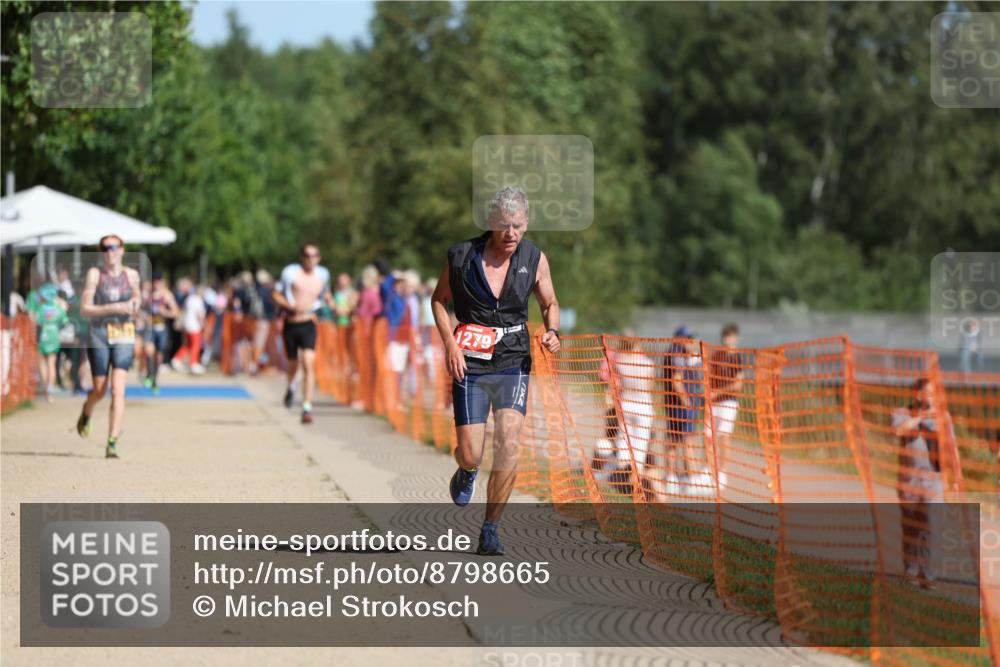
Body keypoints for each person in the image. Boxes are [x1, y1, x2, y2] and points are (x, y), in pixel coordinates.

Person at [431, 186, 561, 555]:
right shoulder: (461, 256)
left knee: (508, 443)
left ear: (526, 223)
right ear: (491, 222)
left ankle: (490, 528)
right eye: (504, 225)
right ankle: (467, 470)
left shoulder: (535, 259)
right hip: (469, 360)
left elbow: (550, 303)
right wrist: (450, 344)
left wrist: (552, 331)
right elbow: (439, 301)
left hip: (513, 360)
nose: (511, 233)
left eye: (518, 225)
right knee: (471, 452)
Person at [76, 235, 141, 458]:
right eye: (104, 248)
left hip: (123, 333)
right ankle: (87, 410)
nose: (109, 251)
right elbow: (85, 308)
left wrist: (134, 306)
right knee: (100, 390)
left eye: (113, 247)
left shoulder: (132, 275)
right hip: (99, 334)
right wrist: (115, 307)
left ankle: (112, 441)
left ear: (122, 249)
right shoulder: (95, 275)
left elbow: (137, 300)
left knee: (117, 389)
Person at [894, 378, 947, 590]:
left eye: (936, 394)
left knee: (931, 528)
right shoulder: (901, 413)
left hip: (934, 481)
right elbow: (899, 431)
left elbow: (951, 448)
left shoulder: (943, 416)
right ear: (917, 394)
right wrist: (922, 417)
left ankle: (929, 575)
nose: (933, 397)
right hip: (909, 482)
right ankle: (910, 572)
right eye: (929, 393)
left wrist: (953, 479)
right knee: (911, 529)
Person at [273, 243, 334, 424]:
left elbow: (326, 294)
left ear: (319, 257)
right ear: (302, 257)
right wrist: (290, 306)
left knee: (308, 363)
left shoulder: (323, 274)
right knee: (293, 364)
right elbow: (275, 294)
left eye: (314, 255)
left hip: (309, 322)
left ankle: (307, 406)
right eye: (307, 255)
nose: (310, 259)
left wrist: (332, 304)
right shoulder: (290, 273)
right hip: (292, 322)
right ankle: (291, 387)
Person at [665, 326, 707, 495]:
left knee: (674, 440)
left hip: (681, 404)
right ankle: (689, 479)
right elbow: (676, 381)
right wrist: (686, 401)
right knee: (685, 441)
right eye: (687, 339)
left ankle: (674, 477)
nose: (690, 343)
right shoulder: (676, 356)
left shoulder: (686, 356)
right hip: (683, 405)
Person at [706, 323, 743, 489]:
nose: (728, 339)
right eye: (726, 336)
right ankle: (710, 471)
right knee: (708, 435)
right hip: (714, 402)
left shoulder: (738, 358)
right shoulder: (716, 355)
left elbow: (738, 384)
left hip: (728, 401)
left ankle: (723, 473)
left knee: (724, 436)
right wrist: (709, 394)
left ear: (736, 338)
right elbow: (710, 376)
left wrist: (719, 391)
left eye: (731, 336)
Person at [143, 272, 180, 392]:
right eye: (154, 281)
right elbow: (140, 309)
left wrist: (165, 312)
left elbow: (176, 312)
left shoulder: (167, 295)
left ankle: (155, 379)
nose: (156, 283)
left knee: (159, 356)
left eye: (158, 280)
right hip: (150, 328)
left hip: (162, 328)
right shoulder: (147, 295)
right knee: (148, 351)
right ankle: (149, 373)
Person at [35, 283, 68, 401]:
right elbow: (65, 321)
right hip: (54, 335)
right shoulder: (58, 308)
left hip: (42, 336)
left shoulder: (40, 308)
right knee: (52, 363)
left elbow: (36, 322)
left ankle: (45, 389)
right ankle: (50, 389)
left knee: (42, 363)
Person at [171, 279, 207, 375]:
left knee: (188, 345)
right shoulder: (198, 300)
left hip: (187, 326)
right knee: (196, 345)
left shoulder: (189, 299)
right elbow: (200, 315)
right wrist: (205, 325)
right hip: (195, 327)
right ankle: (193, 364)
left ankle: (177, 359)